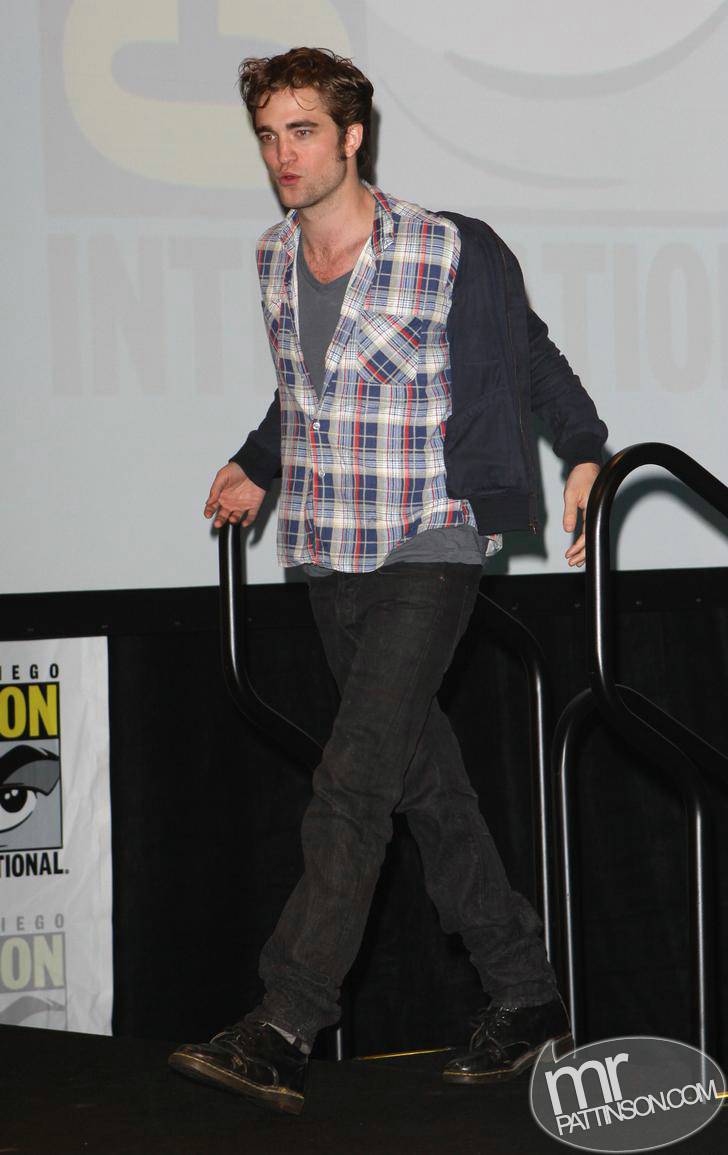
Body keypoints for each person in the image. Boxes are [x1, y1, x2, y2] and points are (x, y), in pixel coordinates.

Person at [169, 47, 608, 1115]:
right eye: (268, 135)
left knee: (354, 782)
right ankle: (525, 994)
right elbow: (305, 394)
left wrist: (585, 450)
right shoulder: (274, 257)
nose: (283, 154)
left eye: (303, 131)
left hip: (427, 538)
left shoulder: (446, 248)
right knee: (425, 787)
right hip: (326, 548)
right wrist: (258, 462)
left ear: (351, 135)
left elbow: (527, 356)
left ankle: (284, 1021)